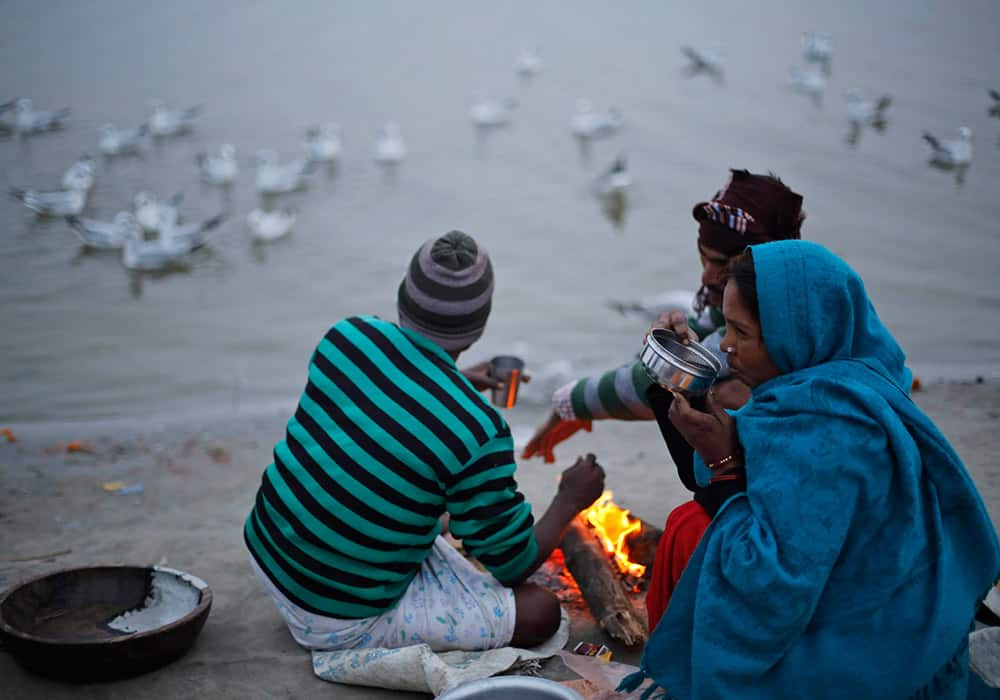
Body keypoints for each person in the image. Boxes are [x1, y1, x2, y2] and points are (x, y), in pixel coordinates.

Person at [618, 240, 1000, 698]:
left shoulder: (836, 432)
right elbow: (750, 464)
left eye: (740, 332)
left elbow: (767, 583)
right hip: (862, 595)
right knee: (689, 523)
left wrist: (721, 460)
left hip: (868, 647)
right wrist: (678, 379)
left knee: (691, 530)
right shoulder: (839, 381)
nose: (725, 346)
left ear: (793, 334)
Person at [244, 230, 605, 653]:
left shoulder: (346, 338)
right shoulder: (477, 430)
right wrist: (568, 499)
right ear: (480, 326)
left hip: (269, 555)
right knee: (541, 612)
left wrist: (452, 381)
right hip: (336, 616)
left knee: (420, 496)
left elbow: (381, 407)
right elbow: (513, 565)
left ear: (402, 297)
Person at [522, 169, 806, 628]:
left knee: (687, 524)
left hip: (783, 525)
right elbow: (650, 380)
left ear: (760, 261)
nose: (706, 274)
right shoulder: (779, 299)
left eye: (723, 262)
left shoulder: (787, 349)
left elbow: (652, 384)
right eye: (703, 257)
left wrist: (570, 404)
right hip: (761, 502)